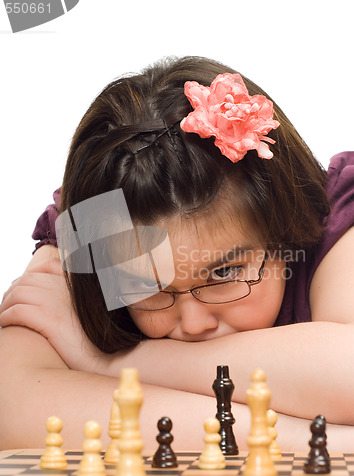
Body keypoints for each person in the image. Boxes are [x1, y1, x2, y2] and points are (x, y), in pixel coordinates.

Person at [1, 56, 354, 452]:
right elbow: (13, 411)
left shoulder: (338, 219)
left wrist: (113, 364)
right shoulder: (93, 227)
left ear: (284, 230)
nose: (193, 322)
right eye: (149, 289)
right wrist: (314, 441)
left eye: (223, 273)